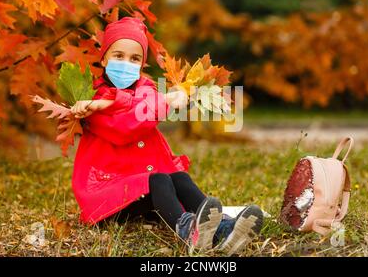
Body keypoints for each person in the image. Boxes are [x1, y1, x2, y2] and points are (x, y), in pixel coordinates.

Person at [70, 16, 264, 254]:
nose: (126, 63)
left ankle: (223, 228)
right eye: (118, 56)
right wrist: (168, 99)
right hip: (107, 194)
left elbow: (146, 102)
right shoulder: (94, 97)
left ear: (142, 64)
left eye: (135, 58)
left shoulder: (146, 88)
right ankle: (186, 231)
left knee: (178, 177)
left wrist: (174, 96)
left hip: (139, 189)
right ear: (104, 58)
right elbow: (126, 125)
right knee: (159, 179)